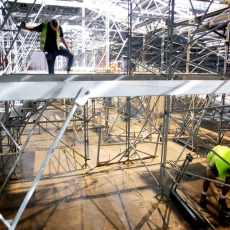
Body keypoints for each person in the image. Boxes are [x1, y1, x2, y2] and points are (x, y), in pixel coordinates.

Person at [200, 145, 230, 212]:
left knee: (229, 181)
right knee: (210, 177)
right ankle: (203, 194)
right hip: (214, 157)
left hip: (225, 153)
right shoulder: (220, 165)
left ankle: (222, 199)